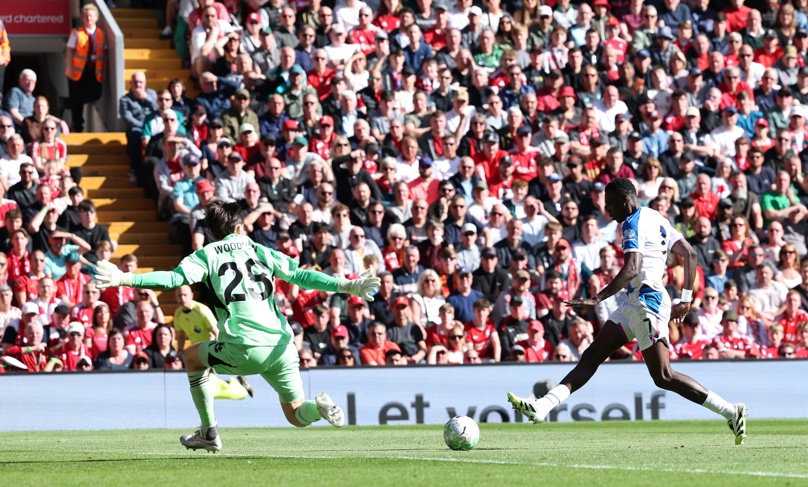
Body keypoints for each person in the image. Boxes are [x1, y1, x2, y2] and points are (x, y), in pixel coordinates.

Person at [94, 198, 380, 452]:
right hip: (282, 346)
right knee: (296, 415)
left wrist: (124, 278)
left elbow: (172, 279)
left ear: (211, 231)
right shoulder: (260, 250)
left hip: (245, 347)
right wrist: (347, 284)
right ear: (240, 227)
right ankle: (319, 409)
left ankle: (209, 432)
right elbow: (302, 277)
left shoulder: (207, 254)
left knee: (191, 357)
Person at [507, 178, 747, 446]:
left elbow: (633, 268)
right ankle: (543, 407)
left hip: (647, 302)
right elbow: (689, 254)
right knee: (592, 355)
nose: (607, 211)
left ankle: (730, 410)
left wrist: (597, 298)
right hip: (635, 301)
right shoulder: (656, 217)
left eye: (610, 204)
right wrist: (687, 298)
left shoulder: (631, 223)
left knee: (663, 376)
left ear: (625, 199)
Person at [64, 4, 106, 133]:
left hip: (93, 71)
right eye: (86, 16)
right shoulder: (76, 32)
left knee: (95, 94)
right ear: (82, 18)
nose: (88, 18)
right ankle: (78, 127)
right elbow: (70, 50)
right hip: (77, 72)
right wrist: (69, 68)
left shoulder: (100, 34)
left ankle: (65, 103)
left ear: (96, 18)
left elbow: (103, 52)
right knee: (78, 104)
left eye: (91, 16)